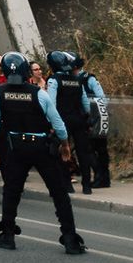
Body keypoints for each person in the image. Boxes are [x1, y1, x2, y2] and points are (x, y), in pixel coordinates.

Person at [0, 52, 84, 254]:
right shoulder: (39, 93)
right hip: (42, 147)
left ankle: (8, 234)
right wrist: (65, 144)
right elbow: (57, 123)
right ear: (26, 70)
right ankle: (70, 238)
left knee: (12, 192)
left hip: (15, 148)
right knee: (59, 193)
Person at [44, 52, 108, 193]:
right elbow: (85, 102)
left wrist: (51, 123)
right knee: (83, 152)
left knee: (62, 152)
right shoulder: (77, 79)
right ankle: (86, 186)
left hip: (62, 121)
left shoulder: (53, 80)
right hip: (79, 120)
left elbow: (51, 104)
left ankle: (67, 185)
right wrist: (87, 118)